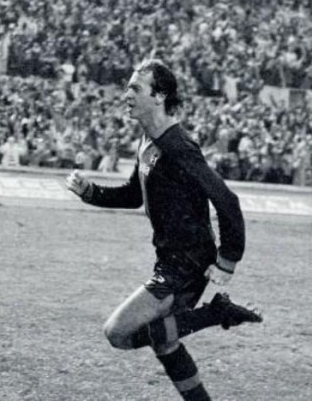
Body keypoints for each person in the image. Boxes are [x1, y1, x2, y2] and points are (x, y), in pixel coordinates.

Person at [65, 60, 261, 400]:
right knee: (165, 342)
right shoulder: (148, 139)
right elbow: (132, 194)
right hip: (171, 260)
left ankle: (216, 312)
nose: (126, 94)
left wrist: (228, 258)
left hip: (186, 264)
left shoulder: (178, 146)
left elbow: (227, 200)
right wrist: (90, 193)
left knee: (118, 333)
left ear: (159, 96)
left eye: (135, 89)